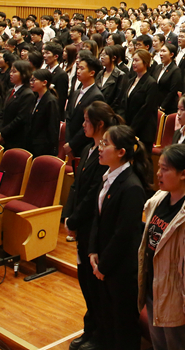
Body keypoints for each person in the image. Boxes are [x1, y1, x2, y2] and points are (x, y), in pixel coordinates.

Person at [139, 144, 185, 350]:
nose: (158, 173)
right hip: (155, 291)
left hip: (177, 301)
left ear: (184, 174)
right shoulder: (160, 197)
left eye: (165, 169)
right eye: (159, 168)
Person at [65, 102, 122, 350]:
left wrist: (75, 219)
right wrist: (69, 216)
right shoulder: (89, 149)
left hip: (93, 227)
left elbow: (92, 195)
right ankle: (90, 329)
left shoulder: (104, 154)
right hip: (82, 226)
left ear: (99, 124)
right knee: (85, 281)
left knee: (94, 285)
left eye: (87, 120)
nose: (83, 124)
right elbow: (77, 186)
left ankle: (99, 333)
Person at [89, 124, 151, 350]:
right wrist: (93, 250)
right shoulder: (108, 177)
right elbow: (98, 217)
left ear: (121, 152)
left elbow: (123, 234)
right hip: (104, 263)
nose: (100, 147)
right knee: (107, 322)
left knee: (122, 327)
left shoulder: (132, 186)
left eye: (105, 144)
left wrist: (103, 265)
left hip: (120, 270)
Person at [120, 49, 161, 152]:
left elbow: (146, 109)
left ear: (145, 62)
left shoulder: (151, 83)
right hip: (128, 126)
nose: (134, 63)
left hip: (143, 130)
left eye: (137, 60)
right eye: (133, 60)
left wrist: (132, 129)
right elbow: (124, 102)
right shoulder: (131, 80)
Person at [0, 60, 35, 150]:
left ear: (24, 74)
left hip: (16, 138)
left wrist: (4, 133)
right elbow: (2, 112)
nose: (11, 74)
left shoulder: (27, 94)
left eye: (14, 72)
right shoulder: (10, 91)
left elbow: (21, 118)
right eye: (11, 71)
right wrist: (0, 131)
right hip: (4, 135)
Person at [27, 69, 60, 156]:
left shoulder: (50, 101)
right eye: (31, 80)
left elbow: (53, 128)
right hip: (32, 143)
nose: (31, 83)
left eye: (34, 80)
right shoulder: (35, 98)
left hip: (43, 147)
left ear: (44, 82)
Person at [155, 43, 182, 115]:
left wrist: (162, 107)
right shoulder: (158, 67)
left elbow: (172, 91)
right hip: (156, 104)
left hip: (168, 107)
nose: (161, 53)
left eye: (164, 51)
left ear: (171, 54)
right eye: (160, 51)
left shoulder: (175, 70)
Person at [97, 45, 126, 110]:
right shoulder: (100, 73)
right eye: (101, 55)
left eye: (104, 55)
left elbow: (118, 99)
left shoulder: (120, 75)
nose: (102, 57)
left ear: (113, 58)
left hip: (110, 110)